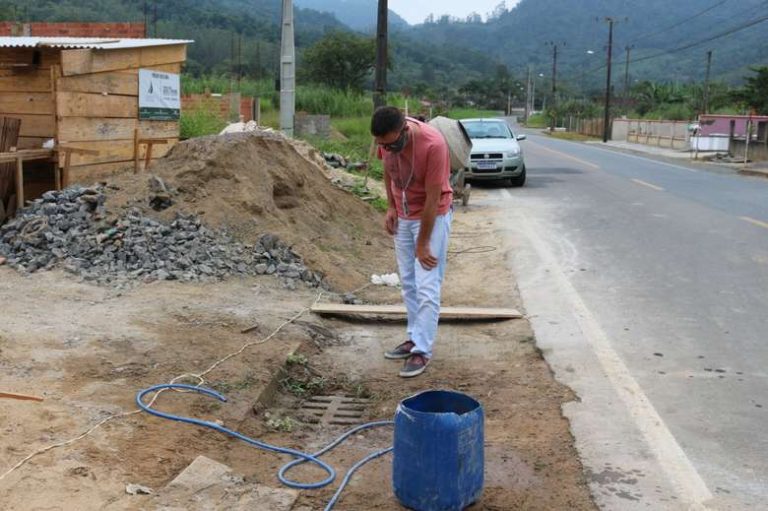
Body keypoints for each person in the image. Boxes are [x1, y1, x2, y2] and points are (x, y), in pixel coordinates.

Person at [370, 106, 453, 377]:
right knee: (408, 281)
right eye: (382, 144)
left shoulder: (433, 145)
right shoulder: (387, 141)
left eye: (390, 144)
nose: (387, 149)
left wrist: (423, 242)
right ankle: (413, 337)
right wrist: (391, 207)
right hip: (403, 215)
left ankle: (422, 351)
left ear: (404, 131)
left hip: (432, 215)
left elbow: (433, 198)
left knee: (427, 284)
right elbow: (387, 170)